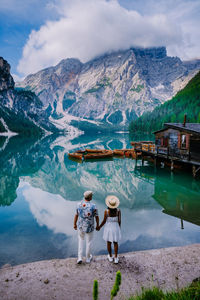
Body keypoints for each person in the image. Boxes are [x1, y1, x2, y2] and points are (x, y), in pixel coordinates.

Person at [74, 190, 99, 264]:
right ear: (90, 197)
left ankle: (79, 258)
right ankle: (88, 258)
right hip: (90, 226)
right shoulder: (93, 206)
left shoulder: (79, 204)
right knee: (89, 242)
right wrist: (98, 225)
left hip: (81, 226)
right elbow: (96, 217)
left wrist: (74, 224)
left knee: (81, 240)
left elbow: (76, 215)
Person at [98, 195, 121, 264]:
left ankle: (110, 257)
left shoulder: (106, 211)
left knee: (108, 242)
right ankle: (116, 257)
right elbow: (119, 221)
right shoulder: (118, 211)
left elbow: (104, 221)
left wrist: (99, 226)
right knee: (115, 243)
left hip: (108, 227)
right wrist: (119, 228)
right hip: (116, 227)